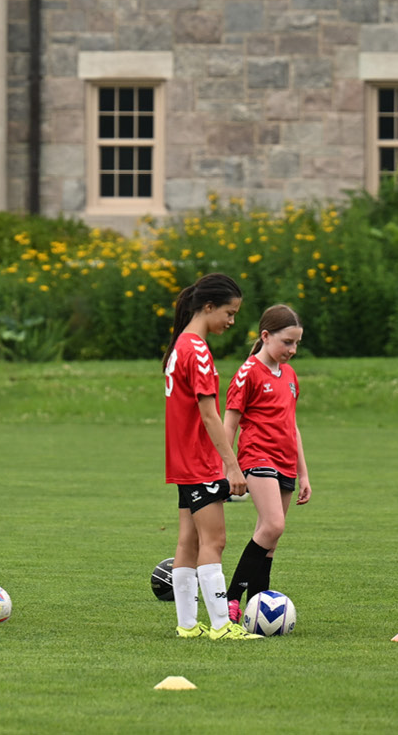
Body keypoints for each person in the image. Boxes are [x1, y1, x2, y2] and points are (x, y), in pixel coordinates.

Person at [162, 271, 258, 641]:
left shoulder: (178, 347)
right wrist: (231, 465)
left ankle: (188, 625)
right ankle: (221, 625)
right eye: (229, 313)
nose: (232, 321)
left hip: (182, 460)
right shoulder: (197, 350)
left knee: (189, 541)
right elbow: (208, 414)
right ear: (208, 306)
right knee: (214, 541)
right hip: (199, 461)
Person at [223, 303, 310, 621]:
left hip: (286, 462)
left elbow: (292, 424)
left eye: (297, 343)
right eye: (287, 342)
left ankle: (259, 608)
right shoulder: (248, 372)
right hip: (258, 456)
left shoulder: (289, 375)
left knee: (270, 537)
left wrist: (304, 474)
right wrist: (229, 468)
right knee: (273, 524)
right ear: (265, 336)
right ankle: (231, 599)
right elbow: (229, 423)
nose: (293, 349)